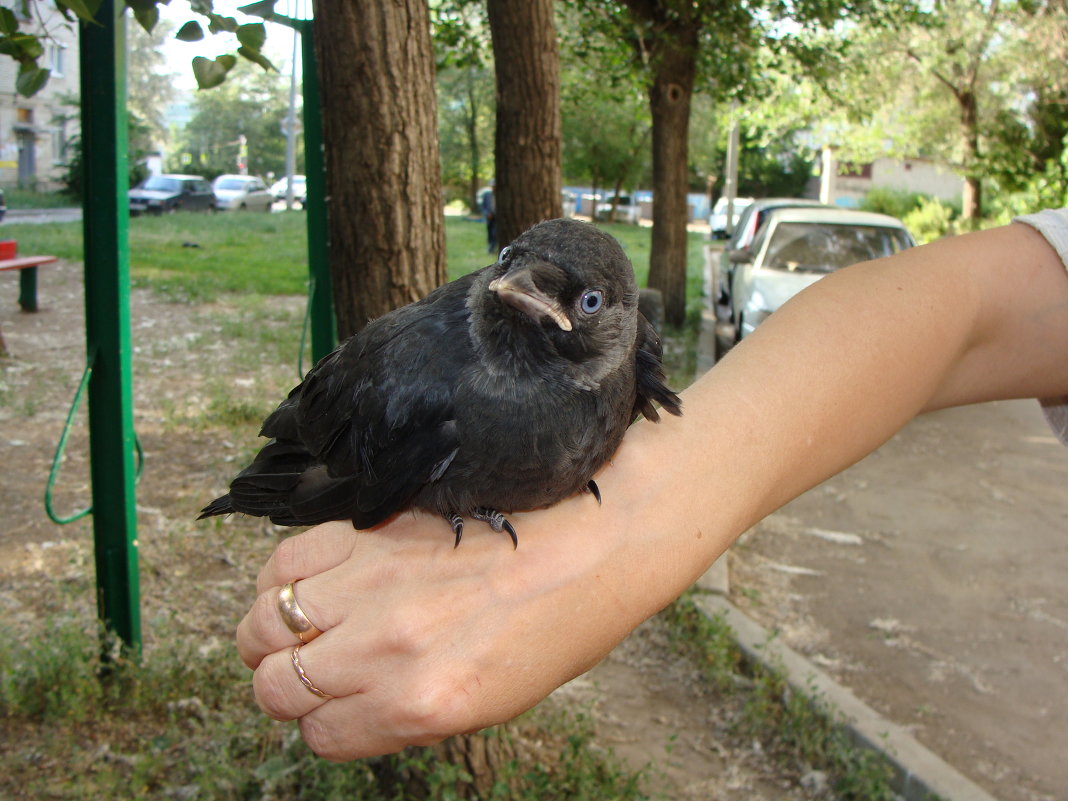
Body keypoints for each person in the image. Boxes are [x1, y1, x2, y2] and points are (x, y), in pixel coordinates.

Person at [236, 210, 1068, 762]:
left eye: (585, 300)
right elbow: (976, 305)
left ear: (622, 321)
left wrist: (622, 538)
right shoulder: (424, 378)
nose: (524, 293)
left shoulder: (624, 359)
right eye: (512, 268)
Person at [481, 182, 497, 253]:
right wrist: (487, 214)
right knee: (490, 232)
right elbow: (483, 207)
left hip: (497, 218)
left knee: (494, 233)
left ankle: (492, 248)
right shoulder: (487, 195)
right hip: (489, 217)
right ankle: (490, 246)